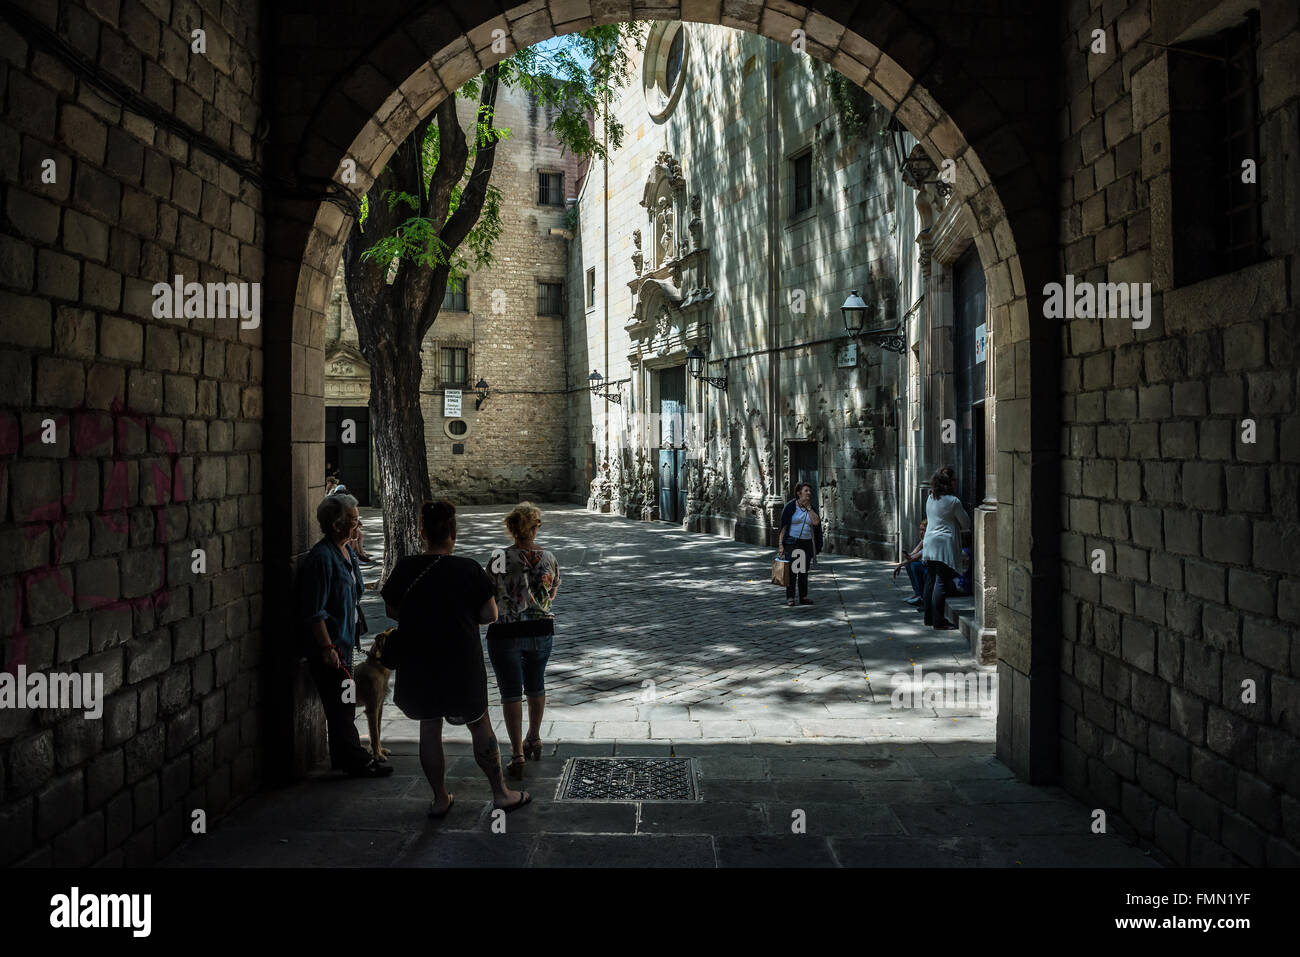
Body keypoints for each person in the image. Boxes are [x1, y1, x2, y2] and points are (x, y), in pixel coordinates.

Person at [381, 500, 530, 817]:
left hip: (419, 661)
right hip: (461, 660)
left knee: (429, 727)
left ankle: (439, 798)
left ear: (422, 533)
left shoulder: (406, 568)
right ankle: (500, 793)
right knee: (479, 726)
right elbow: (489, 614)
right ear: (453, 533)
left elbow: (392, 610)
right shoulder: (467, 569)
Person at [298, 492, 392, 778]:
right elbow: (315, 610)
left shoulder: (347, 551)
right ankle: (355, 759)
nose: (358, 526)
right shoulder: (322, 558)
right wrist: (327, 646)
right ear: (336, 525)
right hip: (331, 647)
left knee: (344, 701)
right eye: (353, 520)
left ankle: (343, 755)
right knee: (341, 705)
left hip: (346, 641)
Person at [486, 503, 560, 779]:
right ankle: (535, 738)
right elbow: (551, 593)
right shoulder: (548, 557)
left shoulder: (500, 558)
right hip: (541, 630)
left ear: (512, 528)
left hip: (506, 631)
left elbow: (487, 591)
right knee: (536, 684)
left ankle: (517, 753)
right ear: (535, 527)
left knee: (510, 692)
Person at [922, 468, 970, 631]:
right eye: (954, 479)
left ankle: (928, 617)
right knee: (941, 582)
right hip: (943, 545)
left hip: (929, 543)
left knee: (930, 580)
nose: (956, 482)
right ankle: (939, 621)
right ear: (948, 483)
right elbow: (966, 523)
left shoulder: (930, 498)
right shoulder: (953, 501)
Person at [778, 481, 822, 607]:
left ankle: (803, 596)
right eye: (806, 491)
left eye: (809, 491)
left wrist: (808, 509)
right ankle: (790, 597)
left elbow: (816, 523)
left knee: (803, 570)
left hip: (806, 543)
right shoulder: (791, 506)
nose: (809, 493)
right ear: (799, 493)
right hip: (793, 542)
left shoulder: (811, 508)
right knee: (792, 570)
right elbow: (783, 527)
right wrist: (781, 545)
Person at [892, 520, 928, 606]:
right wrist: (908, 555)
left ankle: (921, 596)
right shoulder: (924, 541)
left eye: (923, 530)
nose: (921, 532)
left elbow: (917, 556)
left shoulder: (930, 541)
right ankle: (917, 593)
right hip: (925, 565)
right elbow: (914, 553)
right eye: (920, 530)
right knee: (909, 564)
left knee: (914, 565)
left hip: (931, 568)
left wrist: (900, 565)